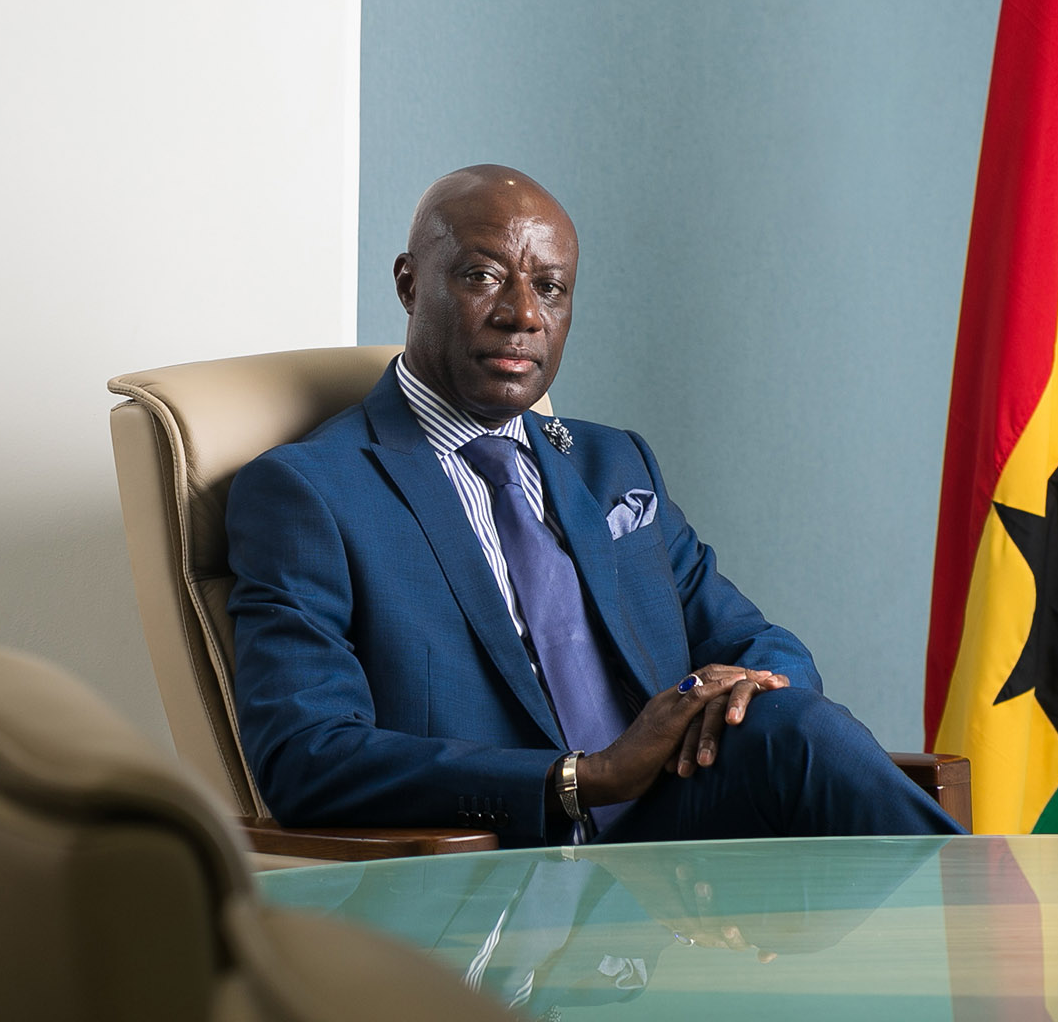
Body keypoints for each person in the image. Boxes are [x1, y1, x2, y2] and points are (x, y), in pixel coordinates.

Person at [224, 165, 960, 846]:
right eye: (484, 276)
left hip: (674, 827)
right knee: (804, 751)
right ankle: (988, 930)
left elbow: (757, 642)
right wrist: (586, 777)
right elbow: (307, 756)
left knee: (790, 723)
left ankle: (985, 931)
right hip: (510, 857)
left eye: (550, 288)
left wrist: (736, 691)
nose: (523, 314)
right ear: (410, 284)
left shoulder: (613, 464)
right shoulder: (310, 492)